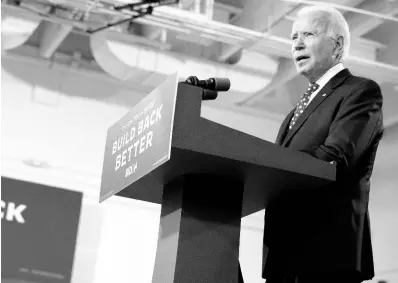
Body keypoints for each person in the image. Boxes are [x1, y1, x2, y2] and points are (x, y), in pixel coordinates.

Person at [261, 5, 384, 283]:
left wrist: (270, 168)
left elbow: (335, 157)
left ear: (337, 45)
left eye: (308, 34)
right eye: (293, 38)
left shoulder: (360, 92)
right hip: (284, 259)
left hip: (327, 258)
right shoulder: (293, 114)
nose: (297, 44)